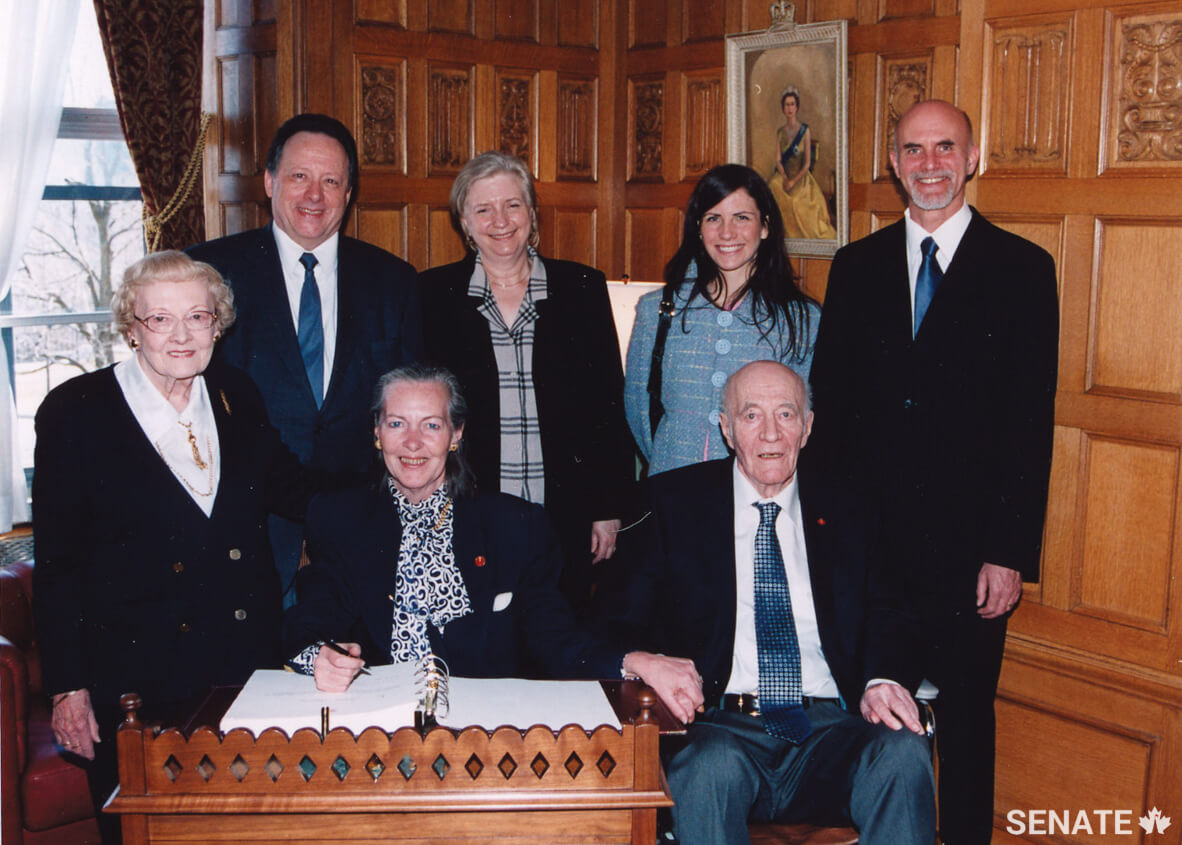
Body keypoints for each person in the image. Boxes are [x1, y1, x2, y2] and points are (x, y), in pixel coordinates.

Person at [809, 99, 1059, 845]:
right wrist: (826, 533)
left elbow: (1029, 423)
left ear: (972, 157)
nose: (930, 164)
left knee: (968, 726)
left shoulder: (1022, 268)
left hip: (970, 557)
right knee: (870, 712)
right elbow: (831, 411)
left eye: (945, 147)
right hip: (870, 549)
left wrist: (1008, 552)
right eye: (913, 150)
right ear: (893, 163)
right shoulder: (856, 268)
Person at [33, 251, 314, 843]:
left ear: (219, 324)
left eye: (198, 317)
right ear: (132, 328)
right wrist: (67, 688)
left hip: (242, 671)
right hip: (137, 687)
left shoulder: (236, 392)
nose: (182, 335)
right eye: (160, 319)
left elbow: (294, 489)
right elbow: (58, 564)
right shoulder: (76, 411)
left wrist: (399, 479)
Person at [601, 361, 934, 844]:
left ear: (808, 426)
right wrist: (648, 661)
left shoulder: (851, 506)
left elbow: (894, 610)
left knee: (902, 754)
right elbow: (612, 622)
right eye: (751, 415)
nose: (771, 433)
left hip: (830, 730)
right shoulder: (673, 504)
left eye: (786, 414)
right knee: (708, 767)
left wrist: (882, 678)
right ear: (727, 429)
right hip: (718, 726)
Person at [187, 113, 422, 607]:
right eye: (299, 176)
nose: (314, 195)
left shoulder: (393, 281)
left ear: (348, 193)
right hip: (246, 527)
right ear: (269, 182)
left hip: (360, 530)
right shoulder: (208, 274)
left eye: (330, 181)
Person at [283, 364, 626, 684]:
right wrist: (321, 657)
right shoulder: (339, 518)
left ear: (456, 433)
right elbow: (311, 620)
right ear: (377, 431)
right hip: (379, 716)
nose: (412, 442)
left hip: (483, 721)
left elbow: (556, 638)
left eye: (431, 425)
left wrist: (625, 662)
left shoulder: (516, 526)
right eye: (397, 424)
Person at [417, 152, 634, 612]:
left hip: (564, 515)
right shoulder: (432, 296)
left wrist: (608, 508)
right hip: (467, 513)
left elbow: (608, 407)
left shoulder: (581, 289)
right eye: (483, 209)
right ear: (464, 222)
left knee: (557, 633)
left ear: (532, 213)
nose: (500, 221)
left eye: (512, 205)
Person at [624, 163, 820, 476]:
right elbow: (638, 411)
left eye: (741, 218)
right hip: (672, 485)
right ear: (698, 228)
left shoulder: (802, 320)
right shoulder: (657, 311)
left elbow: (800, 419)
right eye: (713, 218)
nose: (726, 233)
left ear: (765, 227)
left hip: (757, 488)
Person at [767, 87, 837, 240]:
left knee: (797, 203)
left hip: (801, 177)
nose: (789, 108)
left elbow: (807, 164)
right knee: (773, 187)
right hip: (784, 175)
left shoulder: (805, 131)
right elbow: (778, 160)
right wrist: (785, 178)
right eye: (787, 105)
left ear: (797, 107)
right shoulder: (780, 132)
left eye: (792, 104)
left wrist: (793, 181)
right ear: (783, 108)